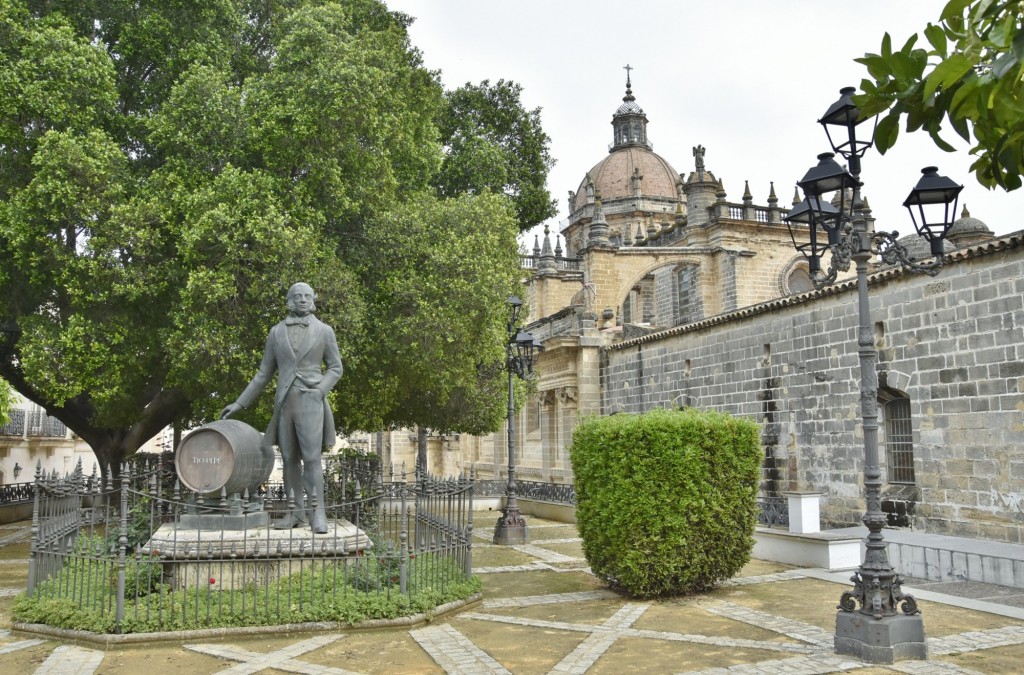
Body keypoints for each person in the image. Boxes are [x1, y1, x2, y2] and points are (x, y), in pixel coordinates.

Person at [221, 282, 342, 533]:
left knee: (312, 458)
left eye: (307, 296)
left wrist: (320, 391)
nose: (302, 300)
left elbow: (335, 368)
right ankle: (295, 513)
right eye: (297, 296)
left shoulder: (324, 331)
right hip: (285, 403)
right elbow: (263, 374)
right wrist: (240, 403)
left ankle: (318, 514)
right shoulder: (276, 332)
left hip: (311, 401)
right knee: (288, 459)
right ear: (289, 301)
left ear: (313, 300)